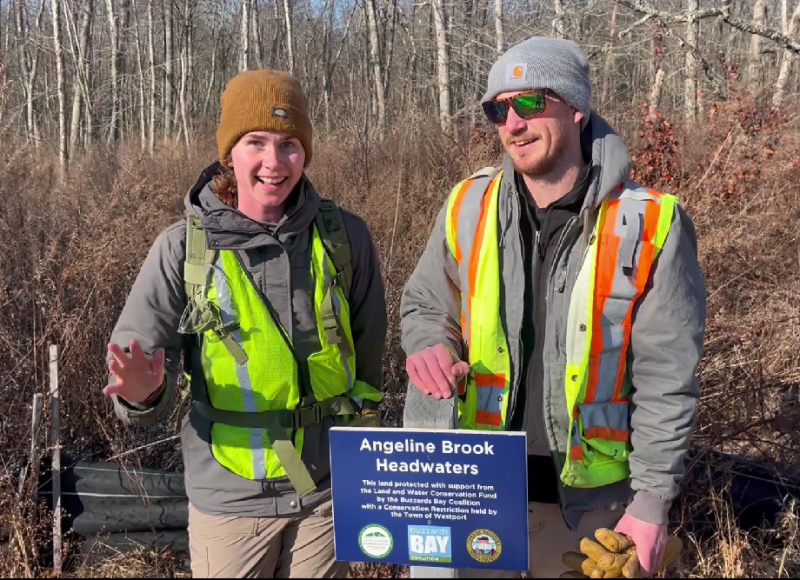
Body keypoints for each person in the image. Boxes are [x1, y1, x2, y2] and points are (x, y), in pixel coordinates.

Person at [400, 37, 706, 578]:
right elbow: (426, 302)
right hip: (478, 492)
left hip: (597, 511)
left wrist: (652, 505)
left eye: (531, 103)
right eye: (500, 109)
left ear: (577, 107)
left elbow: (668, 376)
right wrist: (429, 342)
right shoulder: (467, 204)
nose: (513, 122)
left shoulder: (652, 223)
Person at [104, 69, 387, 578]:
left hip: (326, 491)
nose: (273, 163)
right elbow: (137, 365)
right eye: (255, 142)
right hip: (229, 498)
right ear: (229, 153)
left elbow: (368, 355)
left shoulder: (345, 237)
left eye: (289, 145)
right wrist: (143, 393)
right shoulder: (181, 249)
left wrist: (362, 459)